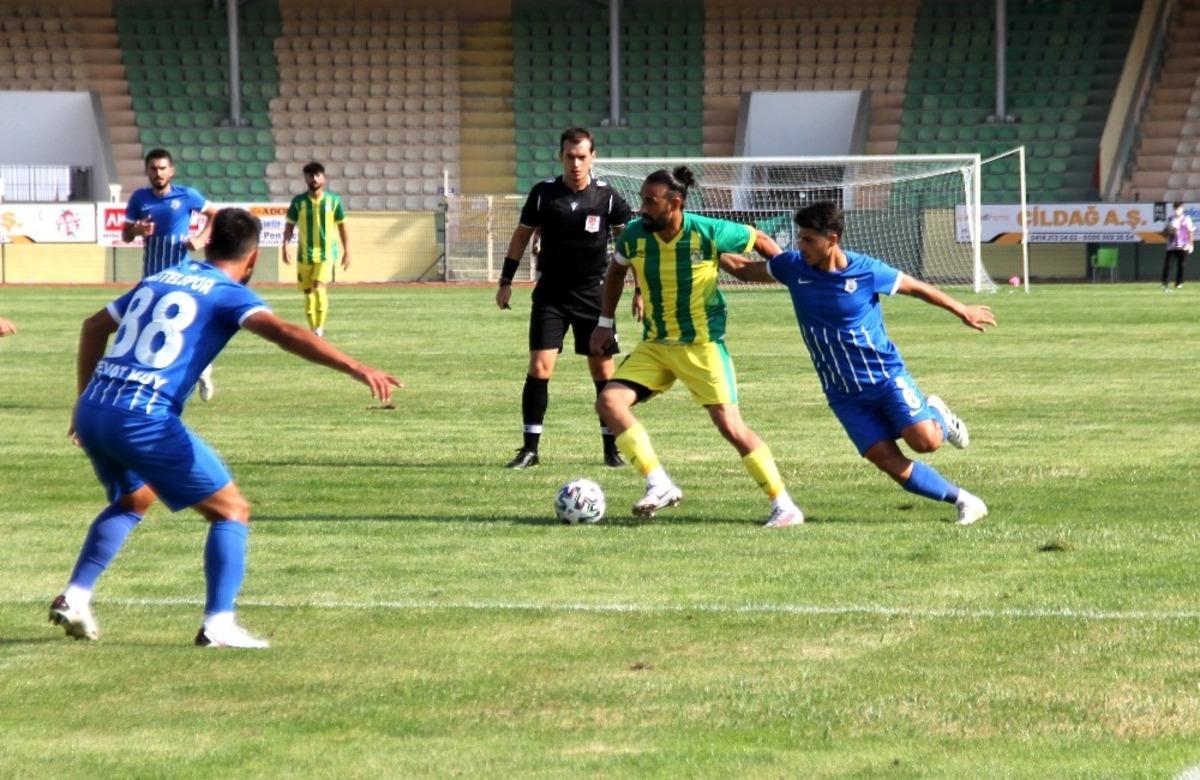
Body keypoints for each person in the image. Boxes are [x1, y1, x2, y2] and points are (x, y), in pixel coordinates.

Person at [50, 208, 402, 648]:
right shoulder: (225, 292)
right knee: (230, 510)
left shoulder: (164, 276)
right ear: (251, 259)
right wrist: (354, 366)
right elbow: (283, 331)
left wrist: (83, 401)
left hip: (96, 406)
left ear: (209, 243)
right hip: (142, 417)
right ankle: (218, 623)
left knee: (133, 498)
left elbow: (93, 326)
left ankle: (76, 596)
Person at [722, 200, 995, 525]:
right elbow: (743, 269)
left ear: (832, 239)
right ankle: (965, 501)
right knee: (885, 459)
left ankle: (936, 412)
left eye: (809, 240)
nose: (801, 246)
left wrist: (962, 309)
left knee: (926, 443)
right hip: (842, 393)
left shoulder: (866, 270)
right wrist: (704, 243)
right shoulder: (793, 267)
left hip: (885, 378)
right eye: (800, 238)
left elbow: (916, 287)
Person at [589, 166, 805, 528]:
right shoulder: (633, 236)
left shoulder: (707, 231)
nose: (642, 208)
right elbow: (615, 273)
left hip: (701, 346)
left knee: (730, 427)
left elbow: (759, 240)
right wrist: (604, 323)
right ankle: (658, 483)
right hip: (656, 346)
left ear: (675, 203)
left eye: (650, 201)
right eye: (642, 200)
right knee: (609, 401)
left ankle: (784, 505)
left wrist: (794, 275)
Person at [496, 127, 636, 469]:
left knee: (603, 373)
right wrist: (505, 281)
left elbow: (631, 247)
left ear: (593, 158)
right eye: (570, 157)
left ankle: (611, 450)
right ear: (561, 157)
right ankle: (530, 449)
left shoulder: (608, 198)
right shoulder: (544, 194)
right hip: (551, 295)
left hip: (594, 296)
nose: (576, 163)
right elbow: (519, 238)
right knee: (540, 368)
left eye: (582, 157)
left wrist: (641, 290)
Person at [123, 148, 221, 400]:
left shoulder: (186, 196)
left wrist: (201, 237)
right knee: (147, 331)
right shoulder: (139, 198)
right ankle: (157, 383)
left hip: (180, 277)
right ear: (147, 171)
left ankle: (201, 370)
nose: (158, 173)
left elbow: (215, 214)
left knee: (178, 329)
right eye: (154, 168)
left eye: (163, 168)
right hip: (151, 279)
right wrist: (135, 229)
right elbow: (125, 235)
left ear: (171, 170)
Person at [282, 161, 350, 336]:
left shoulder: (333, 201)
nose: (314, 178)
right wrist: (285, 246)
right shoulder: (298, 202)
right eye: (310, 175)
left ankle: (319, 328)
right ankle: (313, 328)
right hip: (304, 254)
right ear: (305, 178)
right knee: (308, 292)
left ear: (324, 178)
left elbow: (342, 226)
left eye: (317, 175)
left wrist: (347, 251)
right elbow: (289, 226)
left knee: (319, 288)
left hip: (326, 254)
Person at [1162, 202, 1194, 292]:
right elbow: (1164, 233)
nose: (1177, 211)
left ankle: (1179, 283)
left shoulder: (1187, 219)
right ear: (1173, 209)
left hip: (1183, 246)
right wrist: (1170, 231)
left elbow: (1190, 232)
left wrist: (1191, 244)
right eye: (1175, 209)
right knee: (1168, 265)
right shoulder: (1170, 219)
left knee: (1182, 265)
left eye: (1179, 209)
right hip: (1171, 246)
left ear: (1182, 209)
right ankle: (1165, 283)